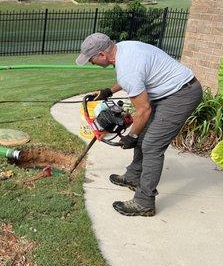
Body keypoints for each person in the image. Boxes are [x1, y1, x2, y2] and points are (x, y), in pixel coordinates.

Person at [76, 33, 202, 217]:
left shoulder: (127, 69)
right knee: (144, 135)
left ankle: (144, 202)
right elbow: (134, 75)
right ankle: (133, 177)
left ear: (102, 54)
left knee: (151, 144)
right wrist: (108, 91)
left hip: (181, 95)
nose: (91, 63)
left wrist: (131, 137)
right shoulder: (124, 48)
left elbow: (143, 110)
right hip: (170, 91)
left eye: (91, 59)